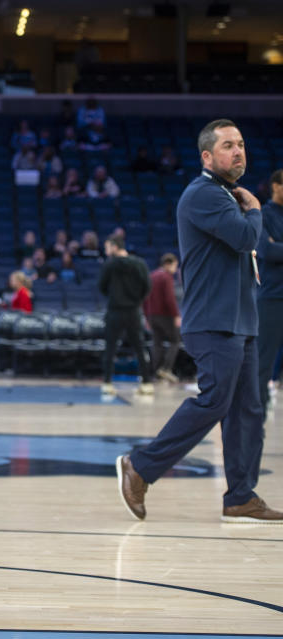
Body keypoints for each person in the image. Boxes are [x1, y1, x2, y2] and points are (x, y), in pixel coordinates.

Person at [117, 119, 283, 524]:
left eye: (242, 144)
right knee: (214, 401)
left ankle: (241, 496)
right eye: (228, 145)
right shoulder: (204, 194)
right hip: (213, 321)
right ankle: (141, 466)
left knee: (249, 409)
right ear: (207, 155)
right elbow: (246, 239)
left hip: (241, 320)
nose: (238, 151)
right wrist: (258, 210)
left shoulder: (227, 195)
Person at [98, 235, 152, 396]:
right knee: (140, 348)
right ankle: (147, 384)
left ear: (115, 247)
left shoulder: (109, 265)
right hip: (134, 311)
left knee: (110, 348)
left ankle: (107, 383)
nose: (106, 251)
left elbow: (102, 287)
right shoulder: (140, 263)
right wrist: (137, 300)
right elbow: (147, 286)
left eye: (107, 247)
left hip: (115, 310)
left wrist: (115, 296)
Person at [257, 169, 283, 419]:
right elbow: (267, 250)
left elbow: (277, 249)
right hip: (272, 297)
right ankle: (257, 414)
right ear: (275, 186)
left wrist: (279, 245)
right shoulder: (264, 214)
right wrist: (275, 247)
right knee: (263, 362)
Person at [144, 253, 181, 383]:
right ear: (168, 264)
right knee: (175, 341)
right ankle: (166, 369)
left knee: (157, 344)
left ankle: (157, 372)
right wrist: (176, 315)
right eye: (175, 265)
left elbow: (144, 298)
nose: (176, 269)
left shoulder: (151, 276)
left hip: (152, 316)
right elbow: (169, 299)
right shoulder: (166, 277)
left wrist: (146, 316)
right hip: (165, 315)